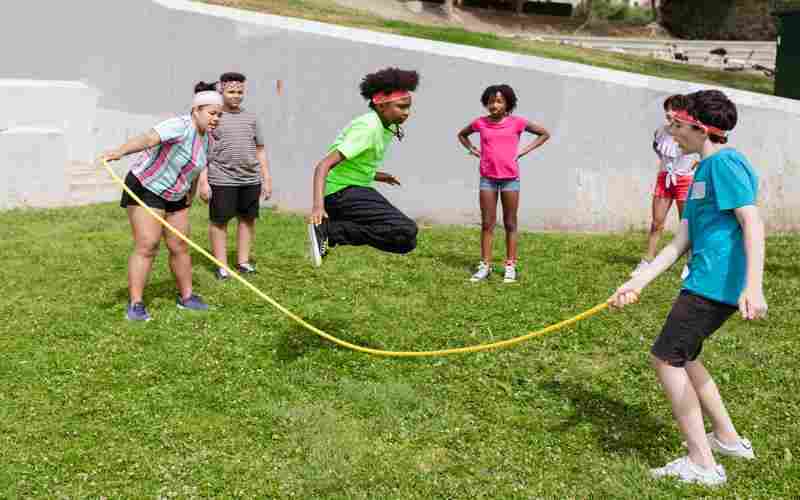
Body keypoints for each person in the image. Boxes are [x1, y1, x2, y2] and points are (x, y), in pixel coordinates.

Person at [609, 90, 767, 486]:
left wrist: (754, 287)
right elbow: (682, 240)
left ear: (700, 128)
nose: (671, 132)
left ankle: (702, 464)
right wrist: (638, 281)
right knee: (687, 356)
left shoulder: (726, 163)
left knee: (666, 359)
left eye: (677, 125)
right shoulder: (701, 171)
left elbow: (753, 223)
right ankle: (728, 441)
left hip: (715, 285)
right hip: (704, 280)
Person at [101, 82, 223, 321]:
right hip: (147, 187)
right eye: (212, 113)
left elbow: (196, 170)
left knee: (180, 245)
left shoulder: (208, 140)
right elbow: (148, 139)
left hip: (177, 195)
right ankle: (136, 304)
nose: (216, 118)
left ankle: (186, 297)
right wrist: (120, 151)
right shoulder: (179, 126)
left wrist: (190, 195)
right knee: (148, 244)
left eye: (219, 115)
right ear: (196, 110)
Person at [307, 67, 420, 267]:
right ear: (382, 105)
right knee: (405, 229)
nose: (407, 113)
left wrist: (378, 176)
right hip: (340, 193)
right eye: (401, 107)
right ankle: (328, 231)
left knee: (406, 241)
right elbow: (323, 166)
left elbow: (354, 163)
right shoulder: (368, 128)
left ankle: (331, 232)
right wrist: (318, 207)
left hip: (351, 189)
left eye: (408, 107)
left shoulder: (384, 125)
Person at [457, 84, 550, 283]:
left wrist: (524, 151)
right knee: (487, 223)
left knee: (510, 223)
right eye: (490, 101)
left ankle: (510, 265)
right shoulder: (480, 123)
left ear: (508, 103)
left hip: (510, 180)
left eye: (499, 101)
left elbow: (544, 133)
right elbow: (462, 135)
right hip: (487, 179)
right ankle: (485, 265)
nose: (494, 105)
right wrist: (473, 149)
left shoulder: (517, 123)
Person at [198, 72, 272, 280]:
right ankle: (221, 266)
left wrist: (266, 178)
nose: (236, 96)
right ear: (221, 89)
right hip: (221, 178)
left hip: (250, 179)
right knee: (219, 222)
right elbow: (202, 150)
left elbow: (260, 149)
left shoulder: (251, 118)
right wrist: (203, 182)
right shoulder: (214, 116)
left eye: (240, 92)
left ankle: (243, 262)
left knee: (247, 220)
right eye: (231, 91)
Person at [631, 94, 699, 279]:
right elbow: (658, 148)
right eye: (668, 108)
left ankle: (691, 263)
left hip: (685, 181)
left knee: (686, 223)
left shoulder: (691, 131)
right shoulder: (660, 131)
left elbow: (702, 152)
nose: (669, 112)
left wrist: (691, 167)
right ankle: (647, 260)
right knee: (657, 222)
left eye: (674, 108)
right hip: (665, 178)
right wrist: (667, 167)